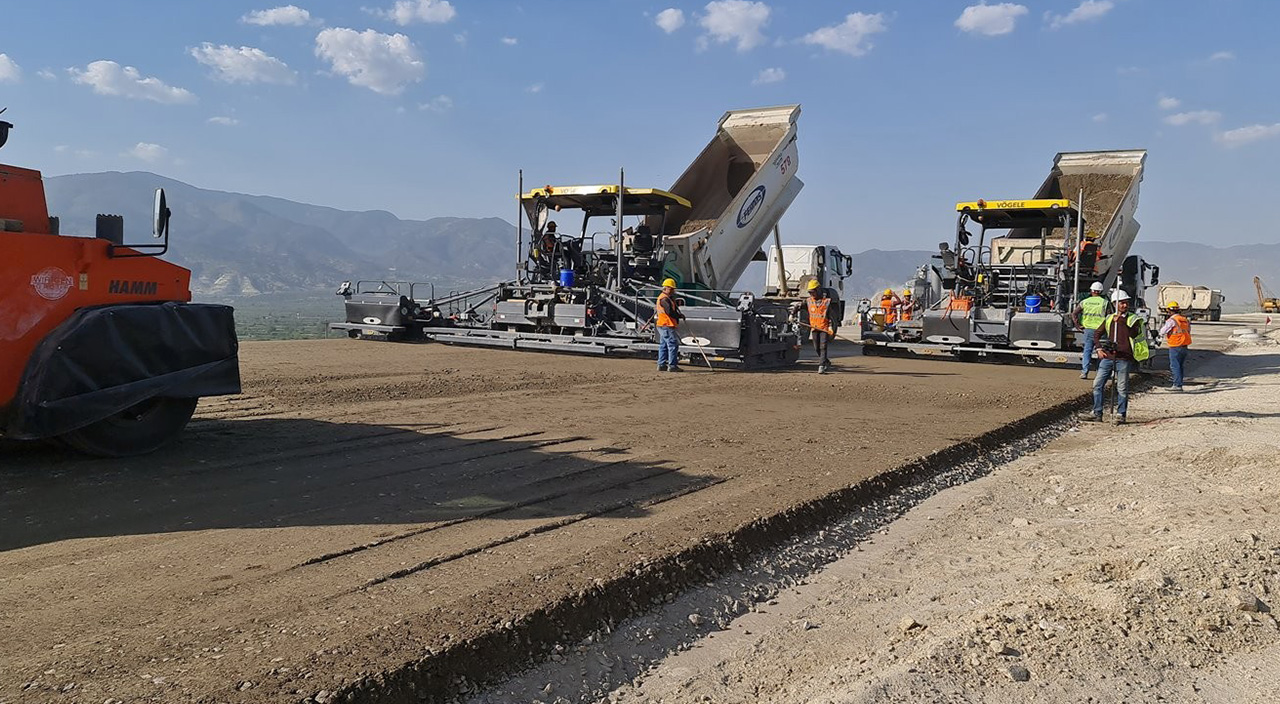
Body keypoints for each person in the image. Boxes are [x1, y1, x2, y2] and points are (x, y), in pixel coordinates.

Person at [1086, 290, 1150, 425]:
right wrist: (1098, 348)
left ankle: (1121, 414)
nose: (1124, 305)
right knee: (1097, 385)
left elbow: (1133, 333)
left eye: (1126, 303)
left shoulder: (1134, 319)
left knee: (1122, 388)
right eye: (1121, 303)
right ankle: (1097, 412)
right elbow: (1097, 334)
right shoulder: (1109, 318)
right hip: (1108, 357)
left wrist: (1120, 321)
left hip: (1124, 358)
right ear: (1115, 304)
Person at [1073, 282, 1110, 379]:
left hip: (1088, 330)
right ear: (1101, 291)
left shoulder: (1085, 301)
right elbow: (1110, 316)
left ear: (1091, 291)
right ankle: (1100, 373)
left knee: (1087, 351)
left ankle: (1084, 372)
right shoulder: (1105, 303)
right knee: (1101, 351)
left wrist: (1077, 325)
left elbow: (1074, 313)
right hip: (1101, 330)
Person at [805, 279, 838, 374]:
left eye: (813, 292)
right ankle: (825, 361)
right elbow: (798, 306)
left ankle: (821, 366)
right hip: (815, 328)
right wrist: (792, 315)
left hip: (824, 328)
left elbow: (831, 316)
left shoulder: (826, 302)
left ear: (818, 290)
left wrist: (831, 327)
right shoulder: (808, 301)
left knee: (823, 346)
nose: (811, 294)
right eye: (809, 292)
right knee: (816, 347)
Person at [1160, 301, 1192, 391]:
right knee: (1180, 366)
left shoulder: (1172, 320)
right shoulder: (1184, 319)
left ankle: (1177, 385)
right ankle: (1179, 383)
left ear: (1169, 311)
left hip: (1175, 345)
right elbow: (1188, 330)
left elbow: (1163, 331)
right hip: (1184, 345)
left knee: (1175, 366)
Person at [655, 278, 685, 372]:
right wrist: (679, 315)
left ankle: (661, 364)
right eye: (671, 289)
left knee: (663, 345)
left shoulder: (665, 298)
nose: (673, 291)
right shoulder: (664, 299)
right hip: (666, 324)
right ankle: (672, 366)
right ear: (666, 288)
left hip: (663, 324)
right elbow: (669, 312)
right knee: (673, 344)